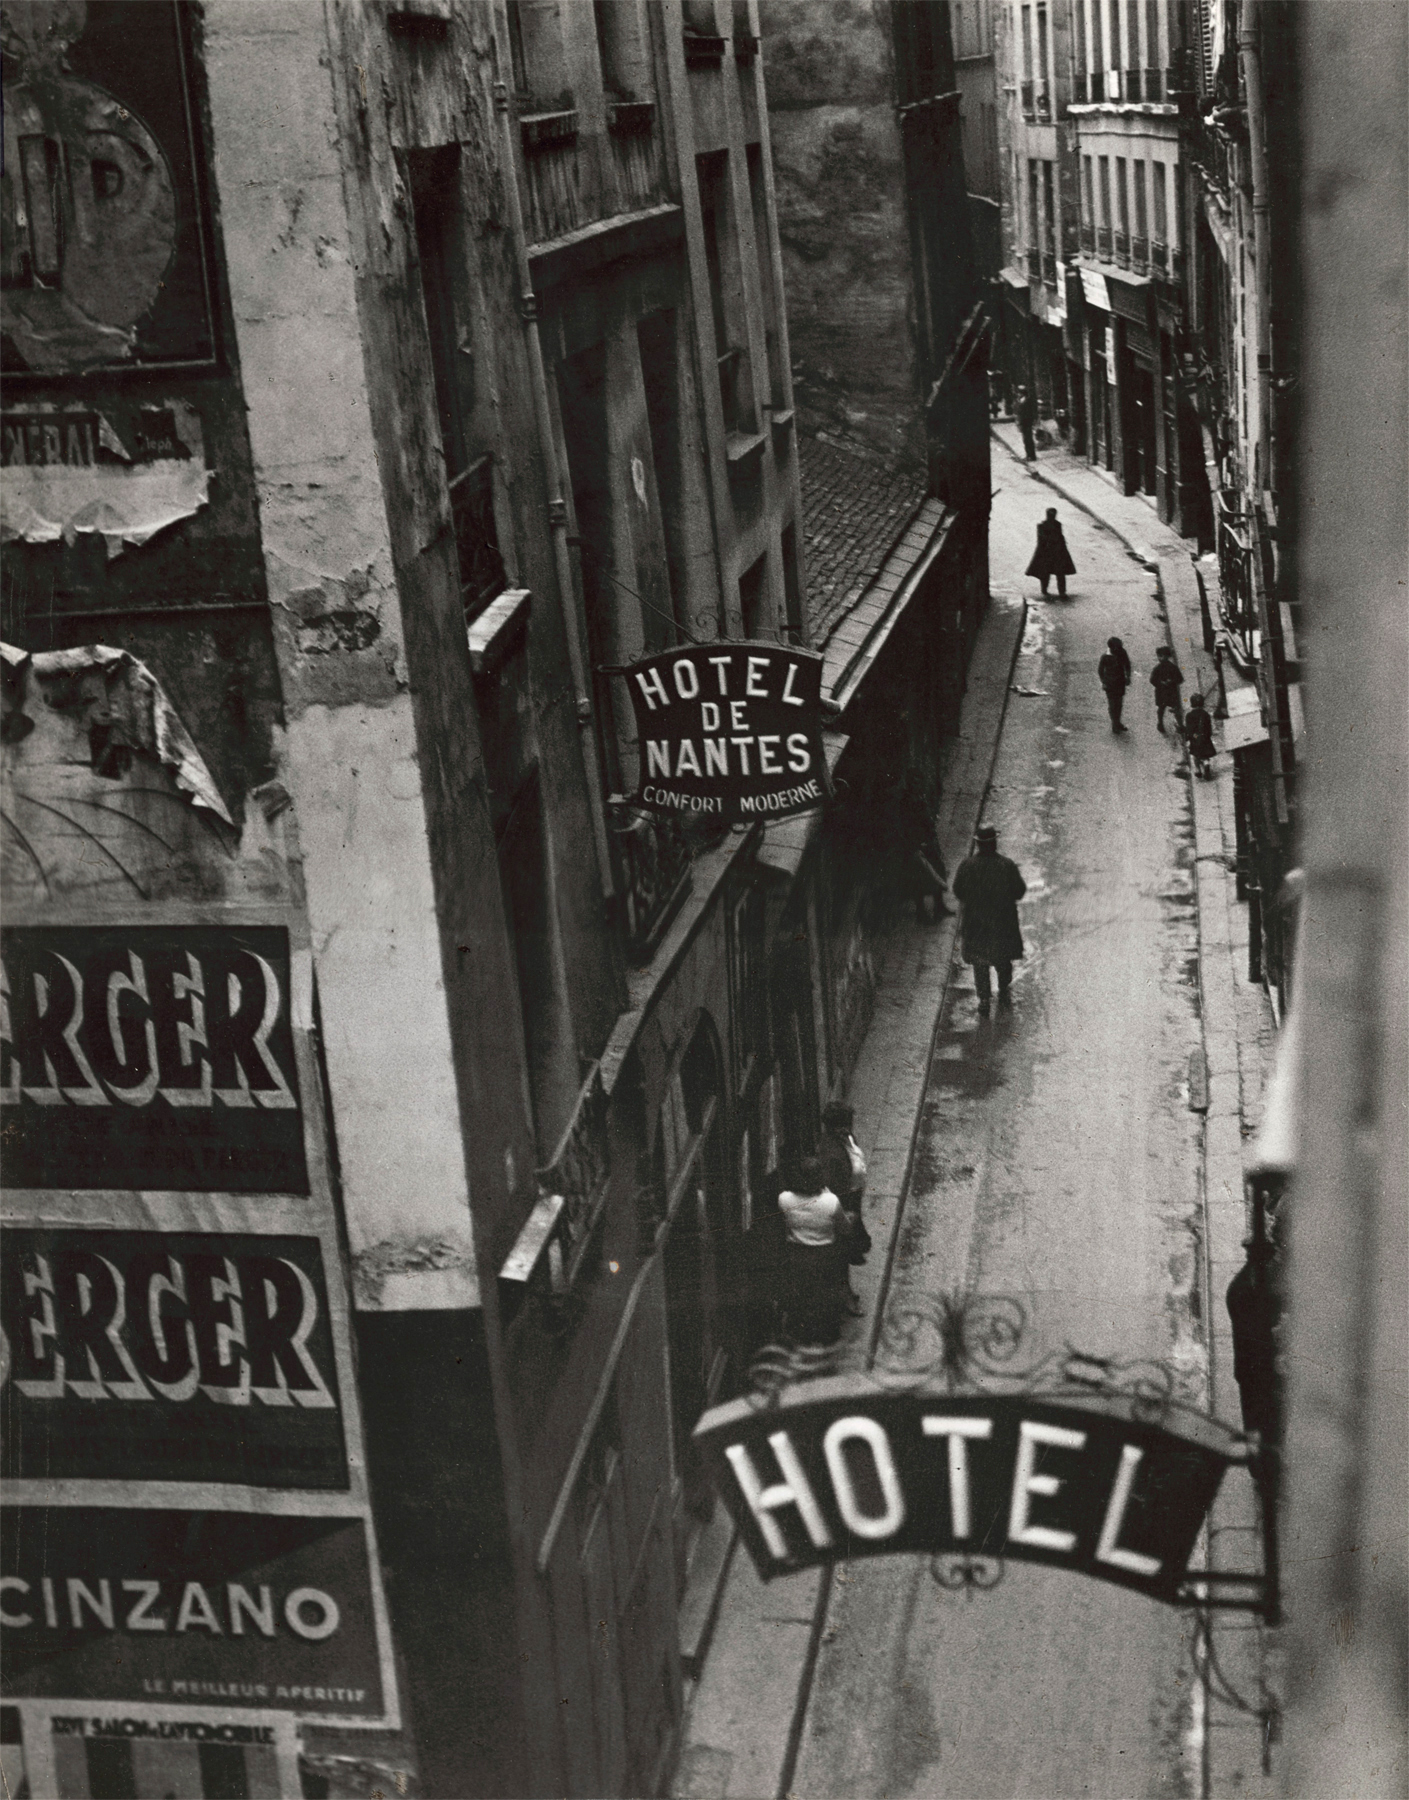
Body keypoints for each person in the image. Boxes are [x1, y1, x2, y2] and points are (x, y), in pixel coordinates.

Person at [951, 822, 1027, 1017]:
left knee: (980, 962)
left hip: (976, 924)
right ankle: (1003, 989)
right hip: (1002, 924)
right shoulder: (1006, 865)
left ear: (977, 844)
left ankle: (984, 999)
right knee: (1003, 959)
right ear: (994, 844)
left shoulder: (967, 866)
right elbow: (1019, 891)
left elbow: (958, 890)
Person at [777, 1156, 851, 1345]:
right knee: (826, 1298)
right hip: (824, 1256)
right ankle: (828, 1336)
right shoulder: (830, 1201)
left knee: (802, 1297)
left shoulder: (784, 1199)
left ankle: (802, 1336)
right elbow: (845, 1228)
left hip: (797, 1255)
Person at [1226, 1232, 1282, 1447]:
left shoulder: (1248, 1282)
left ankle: (1260, 1462)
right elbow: (1259, 1328)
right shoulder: (1248, 1287)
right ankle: (1261, 1465)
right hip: (1256, 1368)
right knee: (1261, 1424)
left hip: (1253, 1368)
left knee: (1258, 1422)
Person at [820, 1101, 869, 1316]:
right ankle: (844, 1297)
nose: (849, 1128)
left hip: (853, 1200)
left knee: (848, 1247)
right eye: (844, 1125)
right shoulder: (831, 1152)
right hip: (842, 1205)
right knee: (841, 1251)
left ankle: (843, 1292)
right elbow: (831, 1187)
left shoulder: (847, 1139)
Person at [892, 778, 952, 922]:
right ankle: (921, 913)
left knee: (938, 870)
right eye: (916, 784)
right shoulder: (905, 804)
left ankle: (939, 906)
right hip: (915, 847)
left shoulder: (920, 798)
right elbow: (906, 828)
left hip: (927, 843)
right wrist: (916, 845)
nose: (919, 787)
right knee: (918, 880)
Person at [1025, 507, 1076, 599]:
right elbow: (1045, 539)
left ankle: (1057, 591)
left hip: (1053, 552)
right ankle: (1055, 590)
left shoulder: (1046, 525)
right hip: (1050, 552)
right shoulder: (1048, 525)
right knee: (1051, 572)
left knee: (1050, 572)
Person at [1097, 636, 1133, 731]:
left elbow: (1127, 665)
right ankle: (1115, 723)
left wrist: (1128, 676)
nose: (1120, 649)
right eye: (1118, 647)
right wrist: (1103, 682)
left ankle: (1117, 722)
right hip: (1110, 684)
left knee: (1119, 703)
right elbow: (1100, 671)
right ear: (1112, 648)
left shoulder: (1122, 652)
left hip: (1120, 682)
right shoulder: (1105, 657)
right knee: (1113, 705)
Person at [1150, 645, 1185, 732]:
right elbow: (1152, 680)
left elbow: (1180, 679)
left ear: (1167, 656)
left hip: (1169, 692)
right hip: (1163, 692)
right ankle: (1160, 723)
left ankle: (1180, 725)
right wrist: (1161, 683)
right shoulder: (1157, 669)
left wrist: (1171, 681)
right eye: (1159, 656)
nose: (1160, 658)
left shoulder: (1172, 668)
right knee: (1161, 709)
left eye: (1162, 656)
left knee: (1175, 709)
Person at [1184, 692, 1216, 778]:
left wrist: (1191, 737)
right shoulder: (1205, 714)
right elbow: (1209, 728)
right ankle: (1206, 764)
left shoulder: (1189, 716)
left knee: (1196, 756)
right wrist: (1207, 736)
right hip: (1205, 738)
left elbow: (1189, 730)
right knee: (1205, 755)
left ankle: (1198, 769)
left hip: (1195, 739)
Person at [1015, 385, 1038, 460]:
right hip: (1023, 423)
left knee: (1028, 440)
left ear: (1023, 393)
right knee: (1025, 439)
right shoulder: (1020, 400)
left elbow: (1030, 412)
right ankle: (1028, 455)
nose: (1018, 394)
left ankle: (1031, 456)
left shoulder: (1027, 401)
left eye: (1019, 393)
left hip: (1027, 423)